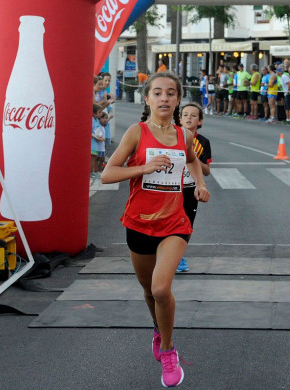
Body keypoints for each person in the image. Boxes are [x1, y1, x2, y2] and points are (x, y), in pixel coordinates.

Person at [101, 72, 210, 388]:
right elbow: (108, 174)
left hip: (175, 222)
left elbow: (192, 162)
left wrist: (200, 185)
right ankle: (158, 328)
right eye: (158, 93)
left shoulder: (183, 135)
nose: (164, 98)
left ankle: (167, 350)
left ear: (177, 100)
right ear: (146, 98)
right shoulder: (136, 132)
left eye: (171, 93)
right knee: (149, 291)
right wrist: (144, 167)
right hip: (138, 223)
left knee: (162, 289)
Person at [177, 103, 212, 273]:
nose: (189, 118)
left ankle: (178, 255)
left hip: (190, 189)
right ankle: (166, 255)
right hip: (170, 188)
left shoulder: (203, 142)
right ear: (179, 119)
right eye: (185, 115)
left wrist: (194, 158)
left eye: (193, 115)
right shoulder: (171, 136)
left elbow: (206, 171)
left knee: (186, 224)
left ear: (200, 121)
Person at [90, 104, 104, 179]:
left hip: (96, 142)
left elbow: (98, 130)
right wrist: (96, 137)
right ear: (94, 113)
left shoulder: (96, 120)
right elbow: (89, 131)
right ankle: (91, 172)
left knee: (95, 157)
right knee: (93, 157)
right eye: (99, 112)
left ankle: (94, 171)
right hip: (92, 142)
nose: (101, 114)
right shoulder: (91, 120)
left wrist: (100, 136)